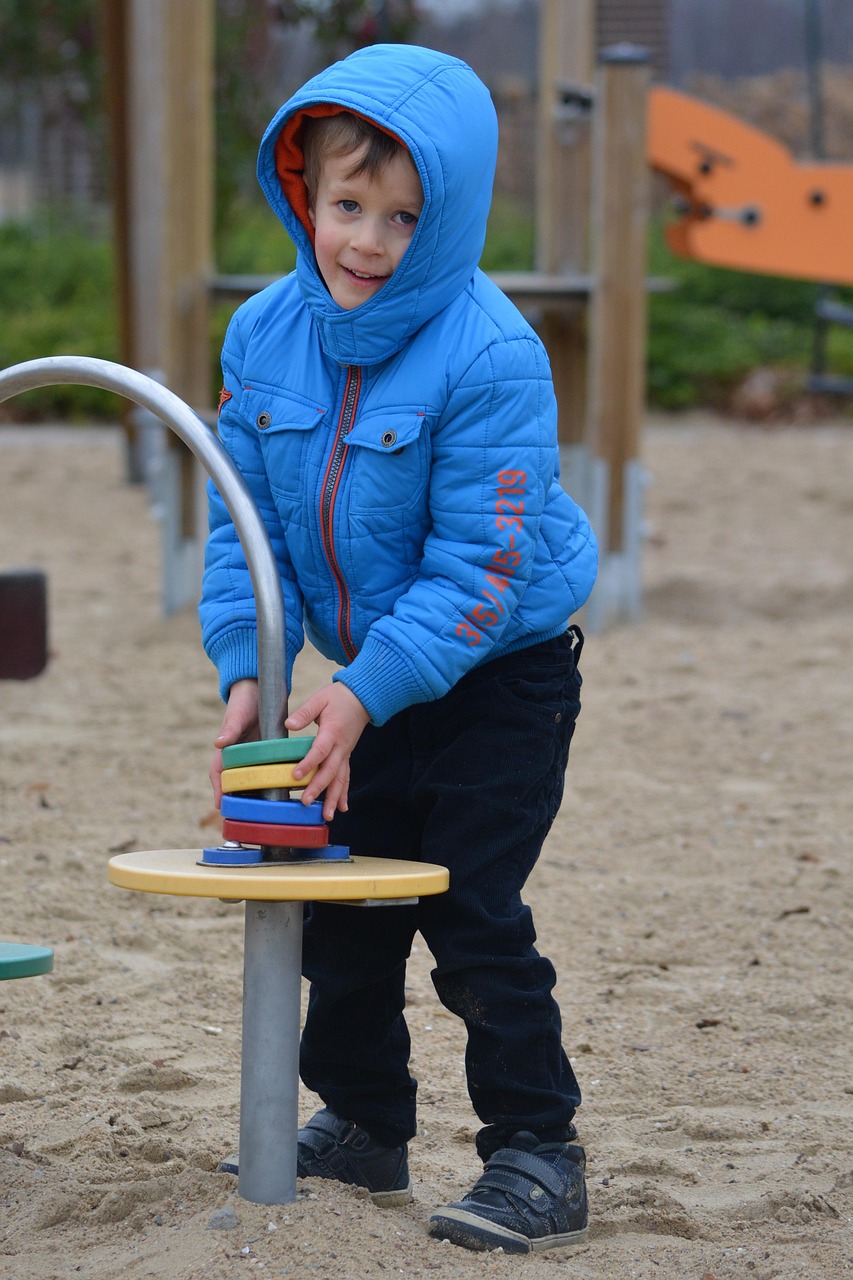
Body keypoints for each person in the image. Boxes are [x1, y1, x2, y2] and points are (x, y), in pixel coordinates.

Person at [199, 43, 597, 1255]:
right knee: (344, 908)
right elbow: (244, 521)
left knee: (471, 907)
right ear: (301, 193)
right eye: (346, 206)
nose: (366, 240)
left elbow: (479, 575)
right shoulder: (265, 334)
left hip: (496, 674)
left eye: (403, 217)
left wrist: (363, 692)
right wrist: (249, 663)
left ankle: (538, 1148)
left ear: (450, 218)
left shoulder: (490, 355)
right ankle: (365, 1122)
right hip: (364, 680)